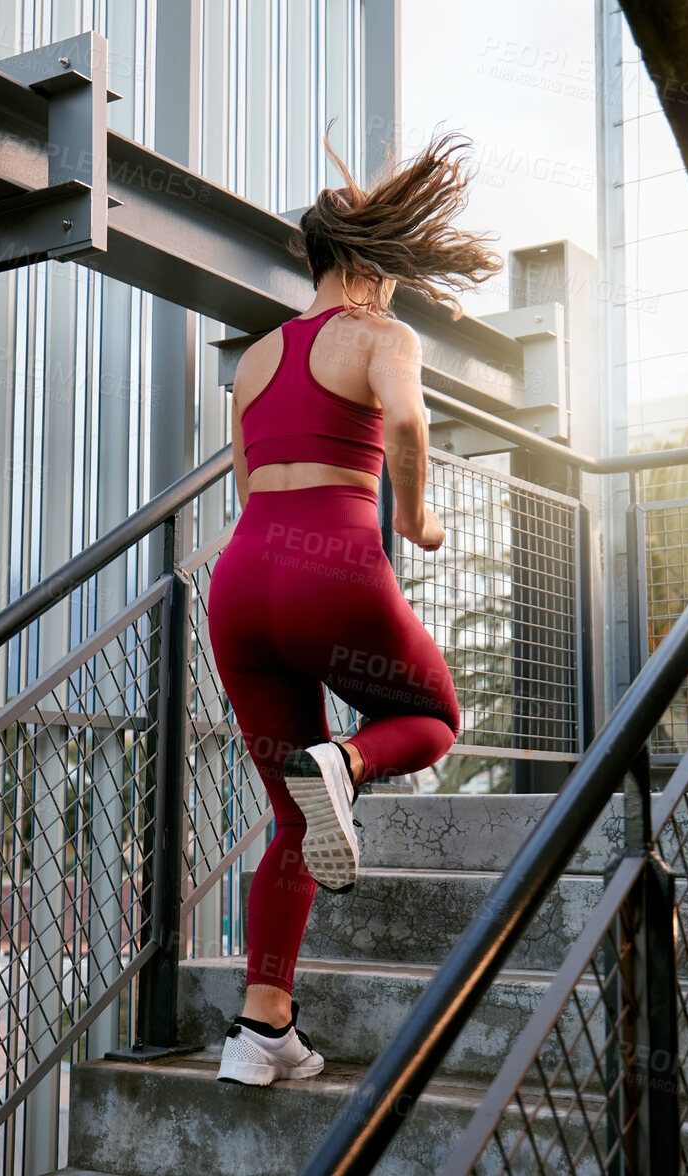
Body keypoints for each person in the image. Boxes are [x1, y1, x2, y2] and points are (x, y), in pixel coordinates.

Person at [206, 124, 502, 1085]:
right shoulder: (381, 336)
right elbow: (409, 420)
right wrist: (413, 519)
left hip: (243, 580)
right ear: (372, 266)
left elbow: (248, 486)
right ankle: (344, 759)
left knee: (290, 821)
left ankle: (261, 1035)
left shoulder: (254, 358)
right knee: (429, 717)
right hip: (331, 564)